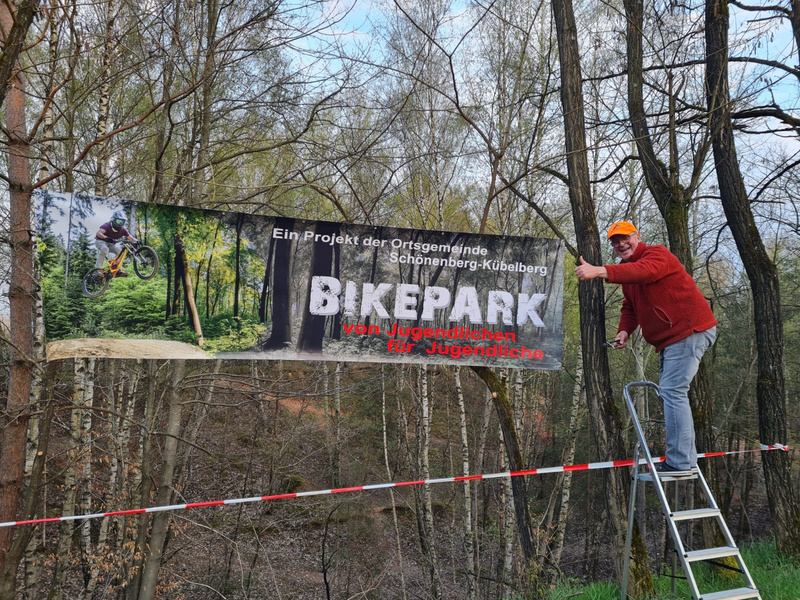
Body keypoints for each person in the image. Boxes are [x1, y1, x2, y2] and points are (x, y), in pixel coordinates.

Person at [574, 221, 717, 475]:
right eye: (615, 242)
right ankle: (684, 458)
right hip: (669, 340)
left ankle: (681, 461)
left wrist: (598, 271)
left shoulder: (657, 254)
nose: (620, 244)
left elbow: (646, 272)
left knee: (673, 392)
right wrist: (624, 331)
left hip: (689, 331)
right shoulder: (626, 271)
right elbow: (630, 306)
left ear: (637, 236)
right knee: (672, 393)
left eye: (625, 238)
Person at [94, 211, 137, 276]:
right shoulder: (107, 225)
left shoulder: (123, 229)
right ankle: (97, 270)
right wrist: (106, 237)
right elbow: (98, 233)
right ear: (114, 220)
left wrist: (137, 241)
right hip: (101, 241)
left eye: (122, 222)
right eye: (118, 221)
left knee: (120, 252)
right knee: (105, 249)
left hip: (111, 244)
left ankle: (118, 271)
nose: (120, 223)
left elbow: (131, 238)